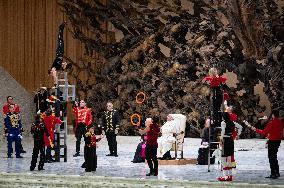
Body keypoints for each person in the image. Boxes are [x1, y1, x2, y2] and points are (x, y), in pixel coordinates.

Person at [248, 110, 283, 179]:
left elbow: (264, 132)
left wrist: (255, 129)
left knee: (271, 157)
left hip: (272, 141)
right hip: (278, 141)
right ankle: (277, 172)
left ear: (273, 115)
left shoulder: (271, 123)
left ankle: (273, 173)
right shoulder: (281, 122)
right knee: (274, 157)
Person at [218, 112, 242, 181]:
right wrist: (238, 135)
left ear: (224, 117)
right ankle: (230, 176)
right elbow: (240, 127)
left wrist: (221, 140)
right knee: (229, 158)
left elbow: (222, 132)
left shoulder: (223, 122)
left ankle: (225, 176)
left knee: (223, 159)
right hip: (231, 140)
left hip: (225, 140)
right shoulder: (233, 122)